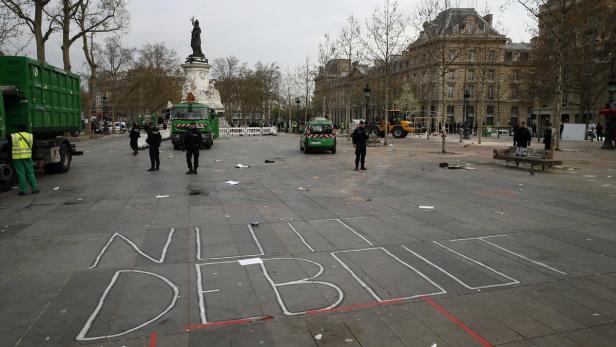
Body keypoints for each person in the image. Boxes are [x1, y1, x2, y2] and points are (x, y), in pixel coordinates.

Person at [8, 124, 39, 195]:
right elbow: (34, 147)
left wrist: (11, 157)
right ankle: (35, 189)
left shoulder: (13, 136)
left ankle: (24, 191)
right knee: (30, 172)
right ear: (26, 129)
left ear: (17, 129)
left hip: (17, 158)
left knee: (21, 174)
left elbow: (9, 148)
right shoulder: (30, 136)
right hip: (28, 157)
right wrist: (33, 156)